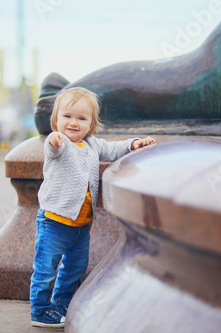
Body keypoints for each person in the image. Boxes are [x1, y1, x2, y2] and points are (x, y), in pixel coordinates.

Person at [30, 87, 155, 328]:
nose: (73, 123)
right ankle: (40, 310)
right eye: (67, 116)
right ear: (56, 120)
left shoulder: (92, 145)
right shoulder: (60, 143)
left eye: (81, 118)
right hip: (54, 221)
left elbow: (114, 149)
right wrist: (54, 140)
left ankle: (61, 305)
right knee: (46, 269)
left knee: (74, 269)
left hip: (82, 225)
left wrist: (135, 144)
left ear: (91, 124)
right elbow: (52, 148)